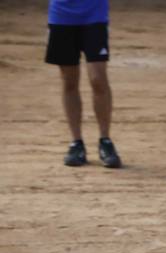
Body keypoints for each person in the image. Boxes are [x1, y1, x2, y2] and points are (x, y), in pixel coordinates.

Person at [46, 0, 121, 168]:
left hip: (94, 15)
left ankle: (105, 140)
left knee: (98, 79)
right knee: (69, 81)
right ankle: (76, 142)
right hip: (61, 15)